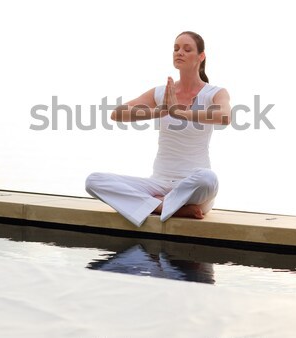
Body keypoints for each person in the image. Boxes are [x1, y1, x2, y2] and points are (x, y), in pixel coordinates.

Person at [85, 31, 231, 227]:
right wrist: (160, 111)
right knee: (94, 181)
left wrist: (180, 113)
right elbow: (117, 114)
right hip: (158, 184)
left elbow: (225, 116)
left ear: (201, 56)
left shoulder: (214, 93)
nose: (179, 52)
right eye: (176, 48)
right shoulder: (162, 92)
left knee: (208, 178)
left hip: (194, 189)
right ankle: (164, 207)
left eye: (187, 49)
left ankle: (155, 204)